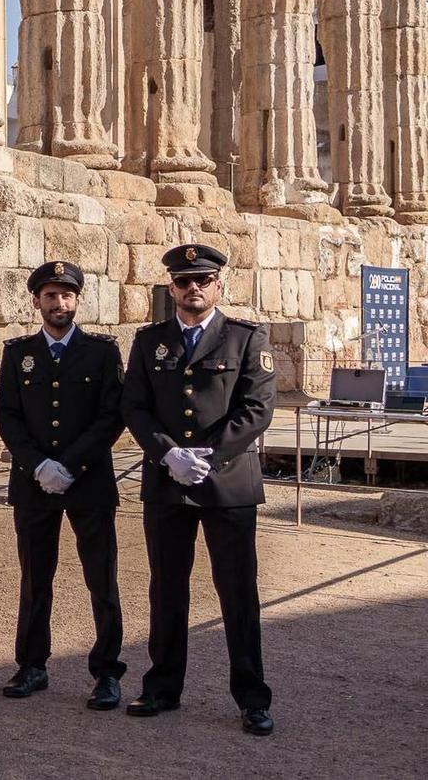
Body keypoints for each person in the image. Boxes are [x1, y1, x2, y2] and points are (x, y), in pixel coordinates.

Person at [122, 243, 276, 737]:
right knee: (167, 588)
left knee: (237, 591)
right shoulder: (150, 342)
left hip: (227, 483)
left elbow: (257, 408)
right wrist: (168, 453)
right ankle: (162, 687)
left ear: (218, 285)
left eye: (203, 280)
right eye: (184, 281)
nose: (193, 289)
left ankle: (252, 697)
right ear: (171, 288)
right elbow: (136, 406)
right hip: (168, 481)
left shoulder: (246, 338)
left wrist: (209, 455)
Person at [0, 261, 127, 709]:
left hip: (88, 481)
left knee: (101, 580)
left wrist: (68, 464)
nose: (59, 303)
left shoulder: (101, 352)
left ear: (77, 301)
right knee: (35, 578)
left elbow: (111, 415)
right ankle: (32, 665)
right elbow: (8, 415)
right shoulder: (17, 353)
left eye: (66, 295)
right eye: (50, 295)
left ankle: (107, 672)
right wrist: (37, 465)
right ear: (36, 301)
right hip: (34, 484)